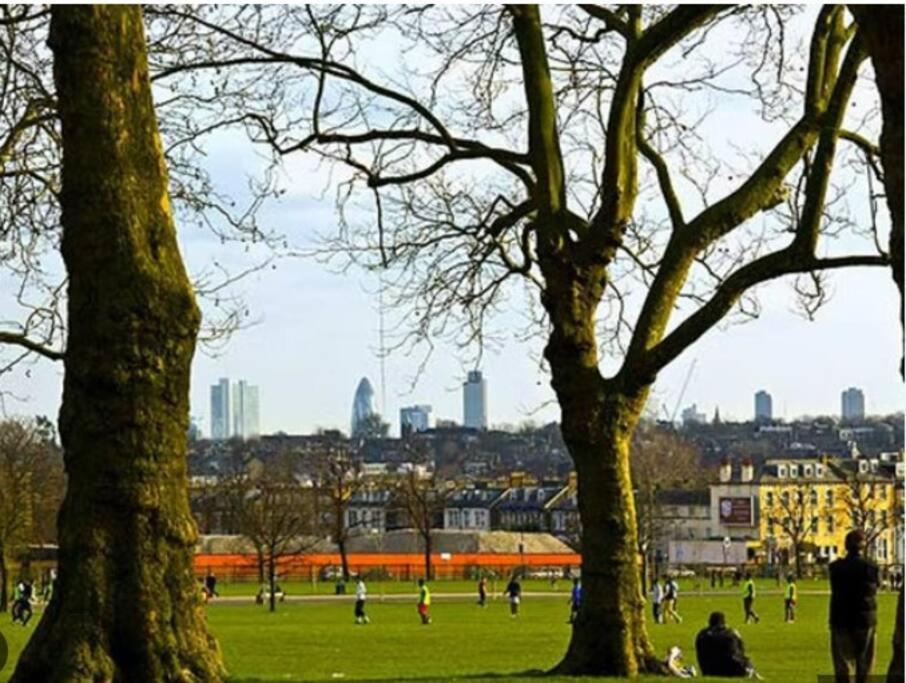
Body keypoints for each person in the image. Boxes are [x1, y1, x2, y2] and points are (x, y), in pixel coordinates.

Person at [829, 529, 879, 683]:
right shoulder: (870, 567)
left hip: (841, 619)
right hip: (865, 620)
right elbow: (875, 587)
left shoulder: (835, 567)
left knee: (843, 665)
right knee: (864, 664)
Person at [695, 611, 760, 678]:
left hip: (708, 670)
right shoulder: (730, 634)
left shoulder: (701, 634)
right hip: (730, 671)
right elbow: (741, 652)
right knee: (746, 660)